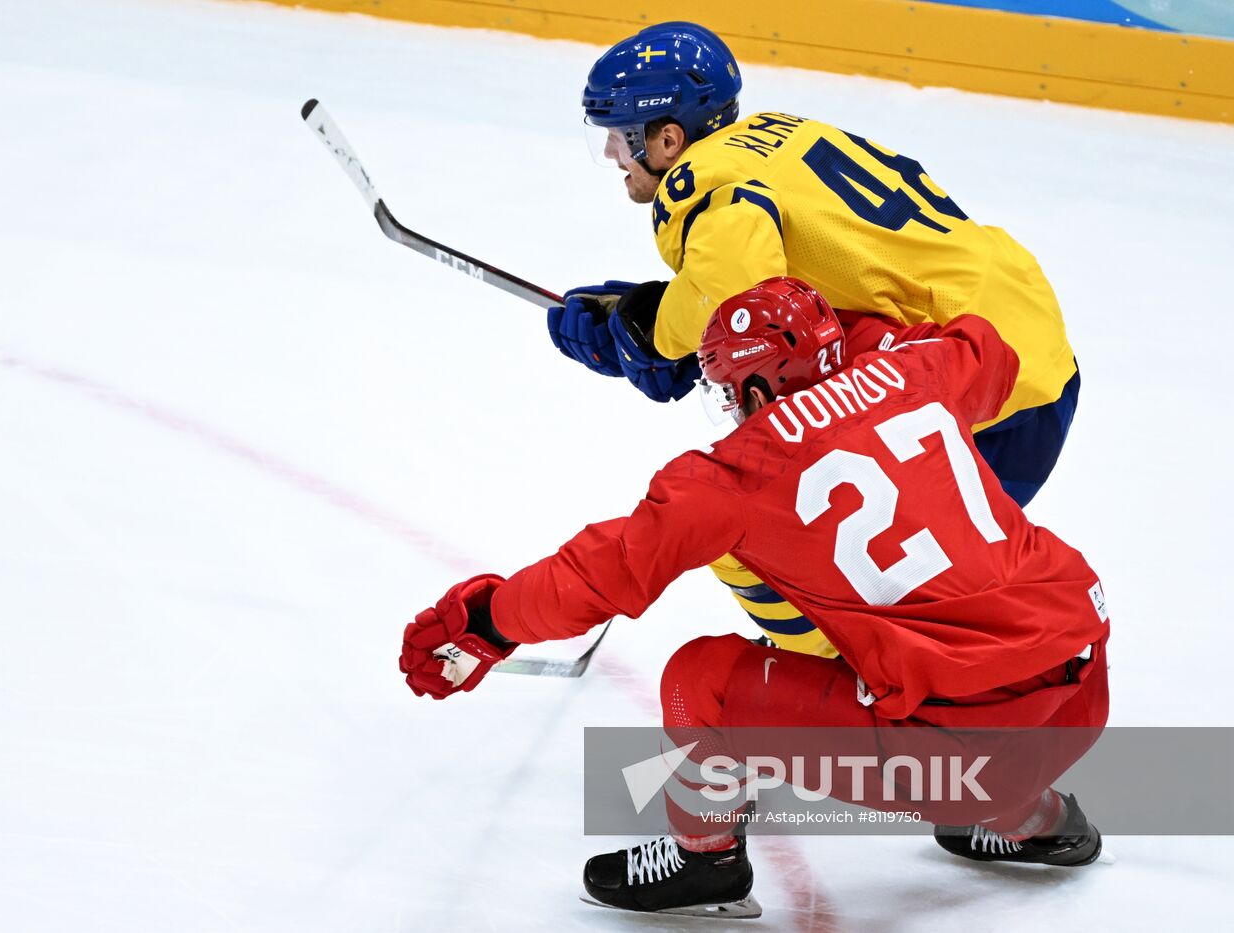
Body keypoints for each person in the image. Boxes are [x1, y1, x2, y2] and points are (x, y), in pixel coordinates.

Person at [402, 277, 1109, 917]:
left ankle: (702, 858)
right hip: (1085, 686)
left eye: (728, 390)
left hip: (963, 756)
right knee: (968, 672)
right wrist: (848, 351)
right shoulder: (920, 370)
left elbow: (598, 572)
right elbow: (987, 346)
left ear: (758, 392)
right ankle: (1036, 818)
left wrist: (489, 618)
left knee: (699, 679)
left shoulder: (730, 477)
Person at [548, 21, 1083, 657]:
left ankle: (837, 685)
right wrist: (670, 313)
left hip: (979, 394)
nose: (612, 155)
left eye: (618, 136)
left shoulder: (703, 183)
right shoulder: (776, 133)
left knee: (766, 537)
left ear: (669, 139)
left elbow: (731, 296)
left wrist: (654, 340)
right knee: (894, 561)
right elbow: (780, 285)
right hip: (1021, 342)